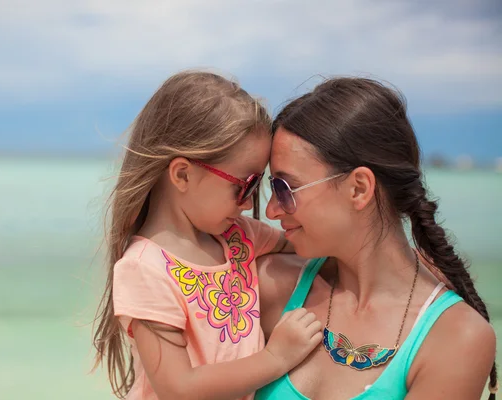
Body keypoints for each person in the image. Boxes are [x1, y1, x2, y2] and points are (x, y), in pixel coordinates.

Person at [255, 77, 498, 400]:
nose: (271, 210)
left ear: (359, 188)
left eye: (285, 189)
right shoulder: (271, 284)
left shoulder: (456, 337)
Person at [92, 71, 323, 400]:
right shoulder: (144, 270)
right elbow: (178, 389)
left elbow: (309, 248)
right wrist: (276, 358)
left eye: (259, 186)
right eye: (244, 185)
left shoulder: (239, 238)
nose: (248, 204)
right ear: (183, 174)